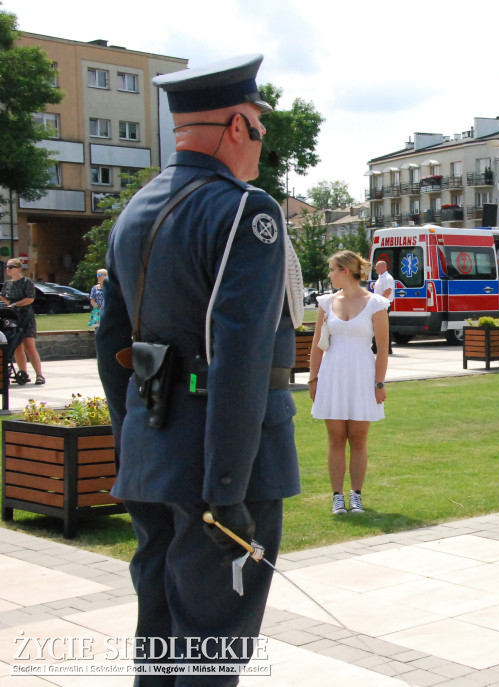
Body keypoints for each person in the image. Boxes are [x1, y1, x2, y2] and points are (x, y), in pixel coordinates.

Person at [96, 54, 304, 684]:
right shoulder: (247, 211)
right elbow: (239, 360)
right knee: (212, 653)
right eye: (260, 133)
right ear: (238, 125)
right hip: (224, 468)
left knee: (161, 642)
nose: (260, 150)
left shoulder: (135, 209)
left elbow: (112, 348)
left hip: (154, 456)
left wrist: (134, 443)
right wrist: (226, 492)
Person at [309, 250, 389, 515]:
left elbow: (383, 348)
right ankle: (337, 497)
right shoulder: (326, 302)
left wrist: (379, 383)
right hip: (332, 376)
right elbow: (317, 347)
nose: (329, 275)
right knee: (335, 437)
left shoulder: (375, 303)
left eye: (332, 269)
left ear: (345, 270)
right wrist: (313, 379)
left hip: (362, 376)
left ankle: (356, 495)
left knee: (358, 438)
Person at [0, 259, 44, 385]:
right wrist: (9, 304)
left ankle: (39, 375)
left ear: (19, 268)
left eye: (11, 267)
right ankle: (23, 373)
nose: (8, 269)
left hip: (25, 315)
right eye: (7, 267)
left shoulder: (26, 282)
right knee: (17, 346)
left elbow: (30, 299)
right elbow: (2, 295)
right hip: (13, 316)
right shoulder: (7, 284)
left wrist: (15, 304)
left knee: (29, 345)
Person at [370, 260, 394, 353]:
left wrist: (379, 302)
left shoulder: (387, 278)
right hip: (379, 305)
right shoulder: (381, 278)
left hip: (383, 305)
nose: (375, 268)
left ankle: (387, 348)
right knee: (377, 326)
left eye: (377, 266)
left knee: (383, 327)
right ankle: (375, 347)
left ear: (383, 267)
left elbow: (388, 291)